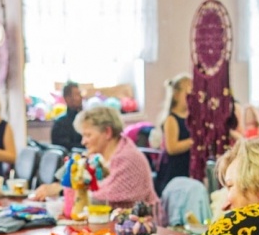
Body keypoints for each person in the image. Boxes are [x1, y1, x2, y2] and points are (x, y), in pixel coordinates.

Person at [28, 104, 158, 213]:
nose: (83, 142)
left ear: (107, 132)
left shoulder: (127, 158)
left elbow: (99, 197)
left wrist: (60, 191)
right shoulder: (99, 157)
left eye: (88, 135)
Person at [154, 74, 193, 195]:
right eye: (188, 95)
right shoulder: (171, 119)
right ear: (176, 95)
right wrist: (194, 141)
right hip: (173, 169)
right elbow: (171, 148)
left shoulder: (190, 118)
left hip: (186, 165)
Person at [51, 81, 84, 151]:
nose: (81, 97)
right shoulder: (60, 123)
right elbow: (65, 148)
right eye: (77, 94)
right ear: (67, 98)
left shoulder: (84, 119)